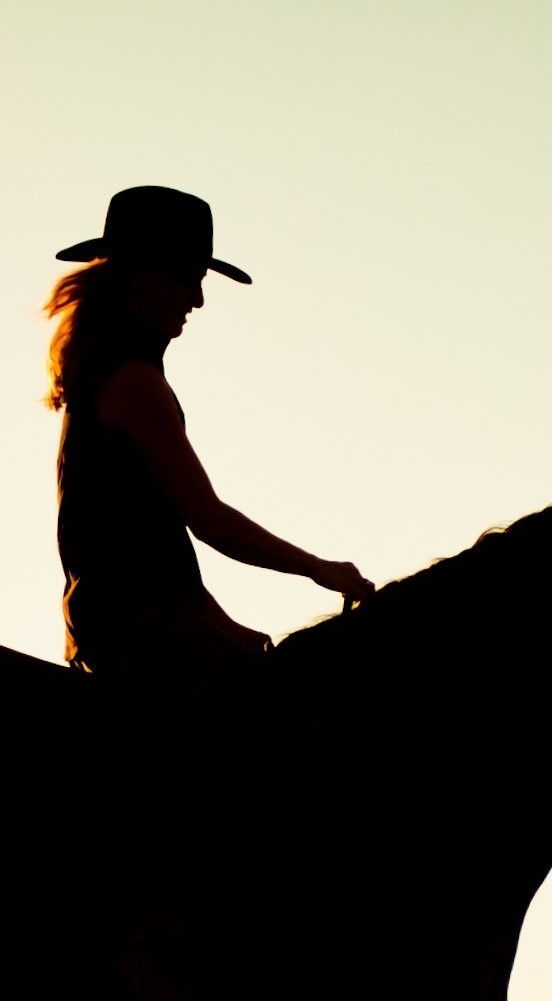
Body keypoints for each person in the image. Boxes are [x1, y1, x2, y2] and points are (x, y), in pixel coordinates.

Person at [47, 185, 372, 699]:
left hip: (122, 624)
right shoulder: (135, 383)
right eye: (189, 280)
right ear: (144, 276)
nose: (196, 300)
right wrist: (317, 568)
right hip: (141, 632)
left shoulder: (106, 377)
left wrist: (220, 624)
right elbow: (207, 519)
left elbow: (149, 542)